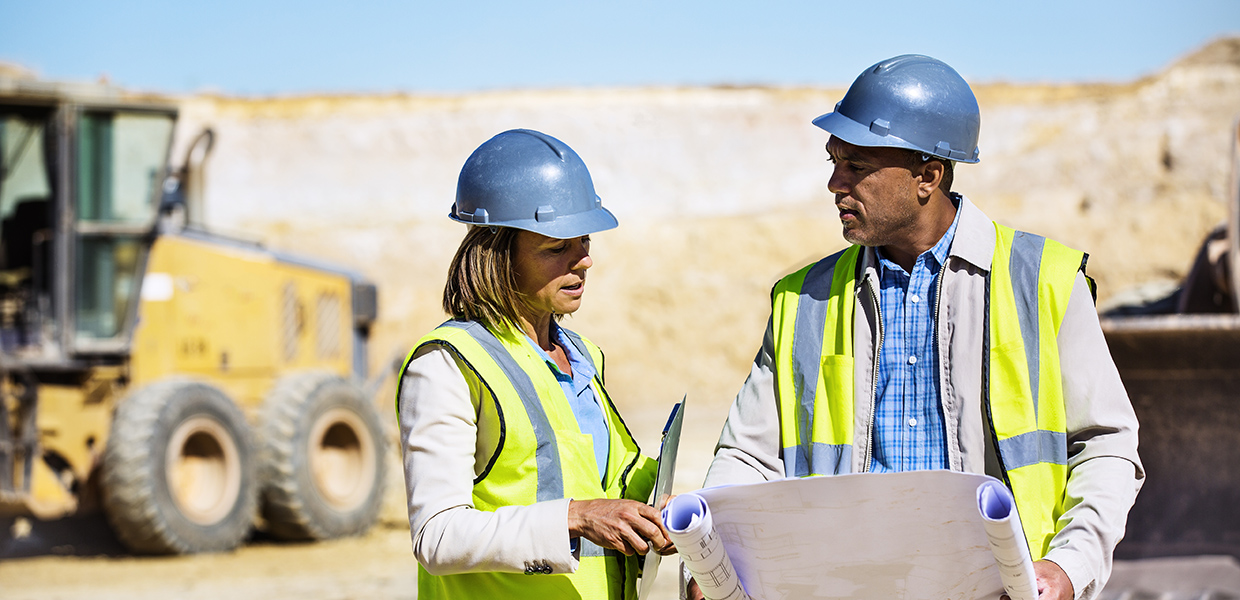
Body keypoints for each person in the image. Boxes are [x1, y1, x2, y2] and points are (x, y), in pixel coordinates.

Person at [690, 55, 1143, 600]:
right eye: (834, 161)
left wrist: (1070, 565)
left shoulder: (1043, 280)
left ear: (928, 175)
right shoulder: (803, 300)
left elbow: (1106, 445)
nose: (835, 183)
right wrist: (716, 557)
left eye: (857, 166)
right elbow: (747, 457)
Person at [398, 129, 671, 599]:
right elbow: (437, 536)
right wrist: (575, 517)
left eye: (584, 240)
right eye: (556, 248)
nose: (583, 261)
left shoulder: (584, 356)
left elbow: (594, 479)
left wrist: (659, 508)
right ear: (497, 255)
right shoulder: (448, 365)